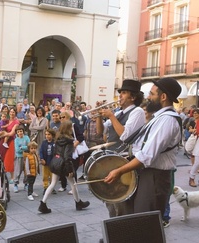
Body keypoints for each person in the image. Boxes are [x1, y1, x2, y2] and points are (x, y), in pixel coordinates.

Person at [104, 77, 182, 217]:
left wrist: (119, 171)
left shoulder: (167, 120)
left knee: (146, 223)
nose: (148, 97)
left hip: (155, 178)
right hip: (149, 175)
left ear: (163, 97)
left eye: (152, 94)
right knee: (139, 220)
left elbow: (146, 156)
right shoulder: (159, 118)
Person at [97, 79, 145, 217]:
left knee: (121, 201)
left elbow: (124, 135)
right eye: (121, 92)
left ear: (133, 97)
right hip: (111, 159)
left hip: (124, 160)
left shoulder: (137, 112)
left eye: (124, 93)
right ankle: (112, 231)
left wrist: (111, 116)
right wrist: (99, 117)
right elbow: (100, 132)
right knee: (110, 199)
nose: (120, 95)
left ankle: (122, 231)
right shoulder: (119, 113)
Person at [38, 121, 90, 213]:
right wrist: (70, 169)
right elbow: (67, 157)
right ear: (68, 129)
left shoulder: (58, 139)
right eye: (71, 128)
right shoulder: (69, 141)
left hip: (56, 162)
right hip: (64, 165)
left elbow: (56, 152)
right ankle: (78, 203)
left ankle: (43, 203)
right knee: (73, 184)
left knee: (53, 184)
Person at [0, 107, 20, 183]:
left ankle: (12, 177)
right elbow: (0, 129)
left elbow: (12, 133)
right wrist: (1, 133)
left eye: (13, 112)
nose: (11, 113)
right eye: (10, 112)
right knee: (1, 157)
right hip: (3, 140)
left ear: (15, 113)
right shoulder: (6, 120)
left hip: (10, 141)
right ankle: (2, 175)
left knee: (9, 159)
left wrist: (4, 134)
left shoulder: (16, 122)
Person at [14, 125, 30, 193]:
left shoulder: (26, 138)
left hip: (26, 156)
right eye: (18, 131)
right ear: (16, 133)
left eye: (21, 131)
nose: (20, 133)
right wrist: (24, 147)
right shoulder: (16, 139)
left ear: (23, 131)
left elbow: (29, 147)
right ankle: (15, 184)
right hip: (19, 157)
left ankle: (26, 184)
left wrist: (22, 147)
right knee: (18, 171)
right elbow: (17, 150)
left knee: (26, 171)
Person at [40, 129, 56, 195]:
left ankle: (52, 187)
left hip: (52, 163)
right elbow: (41, 151)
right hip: (45, 162)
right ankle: (45, 187)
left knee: (52, 176)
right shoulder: (44, 143)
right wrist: (42, 158)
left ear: (52, 135)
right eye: (46, 134)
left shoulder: (55, 143)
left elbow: (57, 152)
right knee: (45, 176)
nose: (47, 136)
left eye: (49, 134)